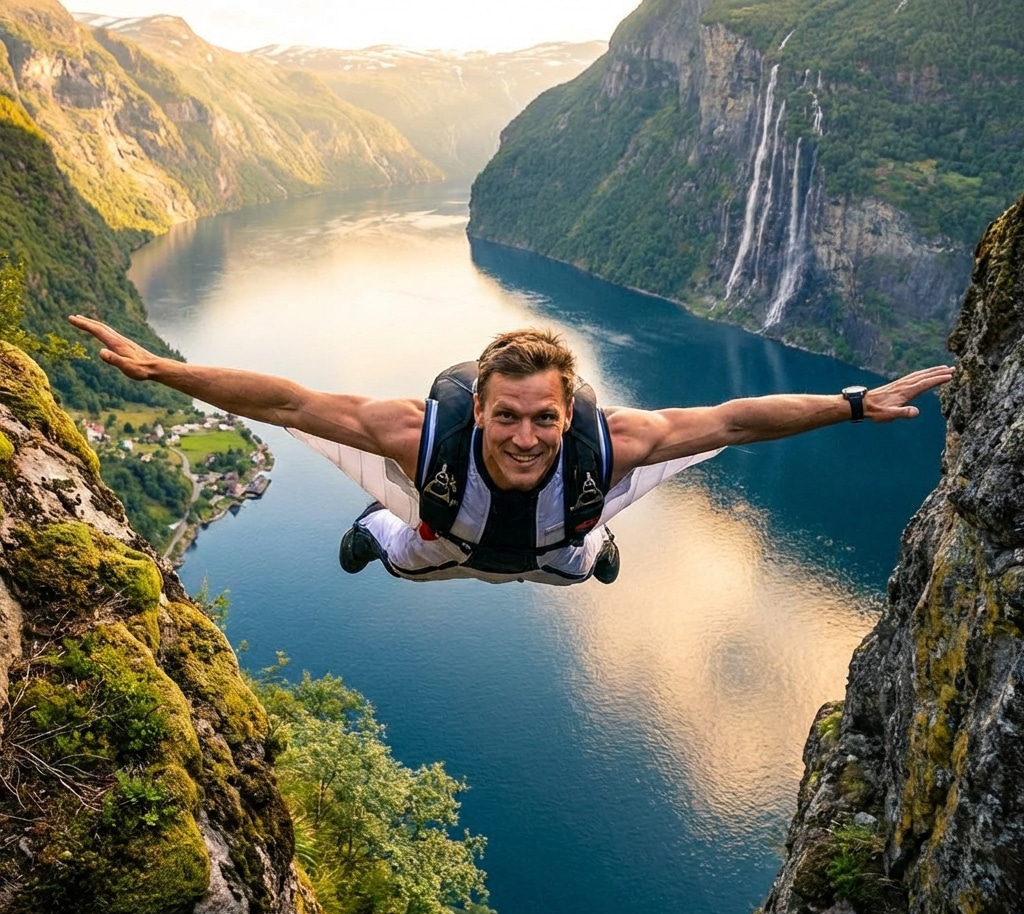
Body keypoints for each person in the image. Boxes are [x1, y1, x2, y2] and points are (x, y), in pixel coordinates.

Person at [68, 315, 954, 586]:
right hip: (444, 532)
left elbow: (734, 420)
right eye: (506, 418)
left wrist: (848, 403)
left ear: (567, 412)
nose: (526, 438)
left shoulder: (614, 445)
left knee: (578, 564)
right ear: (479, 411)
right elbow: (289, 399)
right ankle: (374, 525)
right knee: (403, 553)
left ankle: (597, 542)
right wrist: (163, 372)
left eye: (543, 419)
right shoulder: (424, 439)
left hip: (555, 542)